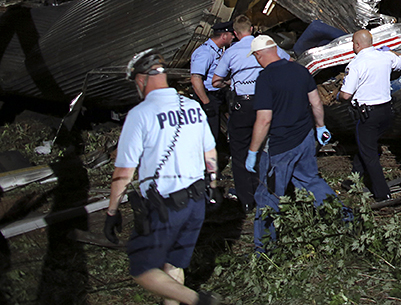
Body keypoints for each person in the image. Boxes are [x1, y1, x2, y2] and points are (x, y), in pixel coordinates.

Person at [103, 49, 221, 305]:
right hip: (197, 200)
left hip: (166, 206)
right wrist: (213, 185)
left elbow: (124, 172)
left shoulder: (140, 115)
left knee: (142, 269)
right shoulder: (192, 107)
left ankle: (199, 301)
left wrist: (112, 211)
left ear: (141, 79)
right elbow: (209, 150)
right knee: (173, 265)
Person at [244, 35, 337, 251]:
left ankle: (265, 250)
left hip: (279, 146)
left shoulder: (265, 78)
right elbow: (315, 102)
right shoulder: (300, 70)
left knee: (267, 195)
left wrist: (252, 151)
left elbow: (264, 119)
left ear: (258, 55)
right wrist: (320, 127)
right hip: (304, 138)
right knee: (311, 181)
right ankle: (344, 220)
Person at [211, 15, 290, 212]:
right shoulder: (266, 46)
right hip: (268, 103)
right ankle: (272, 192)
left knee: (239, 151)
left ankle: (246, 199)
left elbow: (215, 81)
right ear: (252, 28)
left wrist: (231, 83)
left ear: (236, 34)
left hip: (243, 106)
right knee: (268, 147)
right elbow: (288, 61)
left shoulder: (230, 52)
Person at [337, 29, 401, 201]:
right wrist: (391, 51)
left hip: (367, 115)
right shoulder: (385, 57)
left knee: (370, 155)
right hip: (386, 113)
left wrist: (337, 96)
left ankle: (382, 194)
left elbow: (346, 95)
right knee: (367, 147)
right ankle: (352, 179)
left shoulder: (355, 65)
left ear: (357, 45)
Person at [190, 20, 234, 142]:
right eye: (231, 34)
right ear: (224, 36)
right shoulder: (205, 52)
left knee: (215, 133)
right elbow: (196, 78)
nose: (233, 37)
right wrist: (206, 102)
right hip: (207, 97)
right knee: (209, 136)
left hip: (217, 96)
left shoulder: (218, 50)